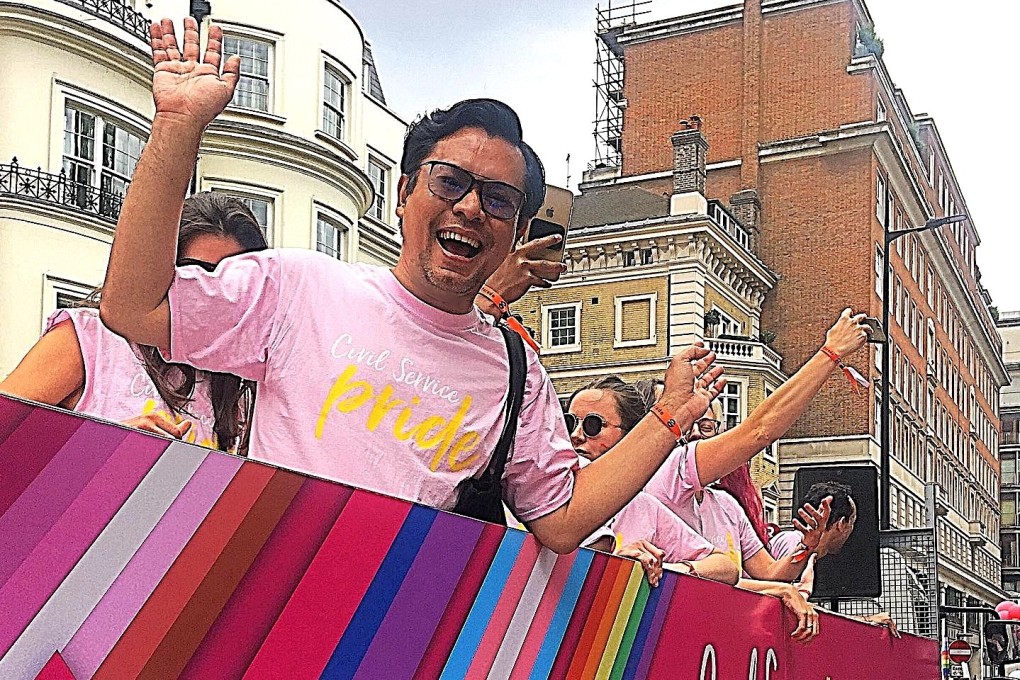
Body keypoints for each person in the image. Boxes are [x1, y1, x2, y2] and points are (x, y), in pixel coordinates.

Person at [96, 17, 726, 554]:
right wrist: (178, 127)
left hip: (399, 637)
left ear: (516, 229)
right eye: (450, 181)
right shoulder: (297, 288)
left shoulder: (513, 368)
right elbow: (135, 307)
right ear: (404, 193)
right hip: (268, 616)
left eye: (500, 199)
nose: (472, 207)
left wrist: (668, 416)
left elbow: (560, 519)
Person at [0, 192, 267, 451]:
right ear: (160, 269)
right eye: (195, 272)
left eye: (234, 280)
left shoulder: (240, 379)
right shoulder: (91, 338)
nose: (211, 290)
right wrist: (105, 445)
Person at [567, 377, 738, 586]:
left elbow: (726, 568)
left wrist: (661, 568)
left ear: (631, 437)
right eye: (569, 423)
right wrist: (614, 565)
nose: (576, 435)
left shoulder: (642, 506)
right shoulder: (538, 494)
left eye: (592, 425)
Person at [770, 482, 900, 638]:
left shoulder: (801, 548)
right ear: (841, 524)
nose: (851, 530)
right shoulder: (792, 541)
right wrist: (863, 621)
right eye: (852, 522)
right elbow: (788, 612)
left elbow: (803, 612)